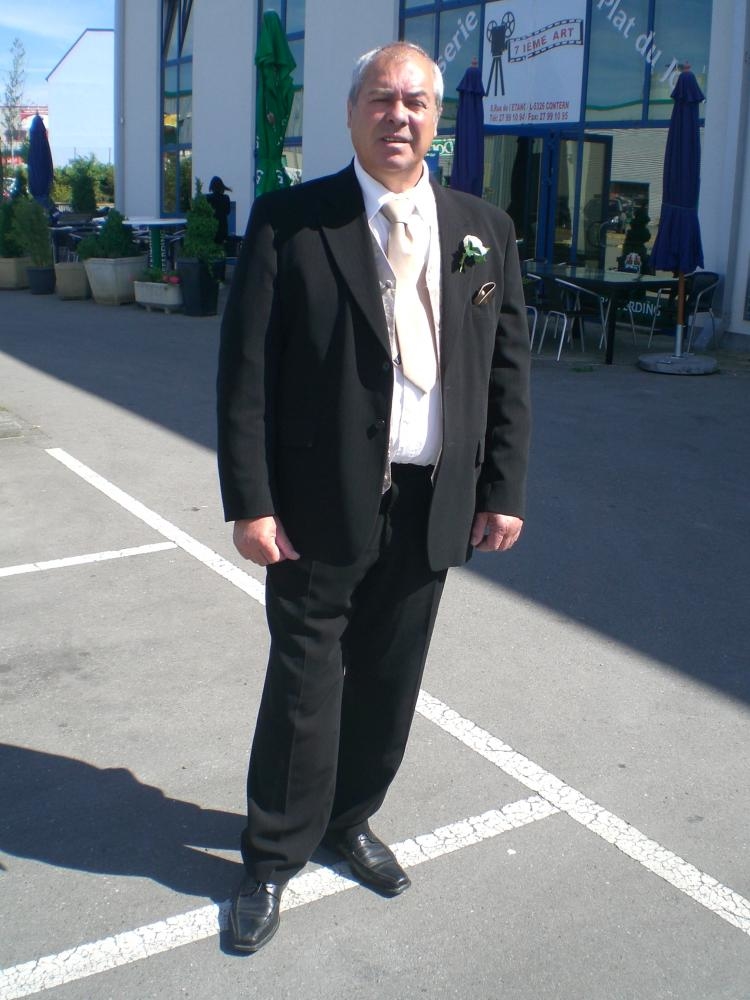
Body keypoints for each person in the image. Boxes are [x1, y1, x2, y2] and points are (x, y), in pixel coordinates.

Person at [216, 41, 531, 954]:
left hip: (434, 502)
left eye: (416, 102)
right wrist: (251, 501)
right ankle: (272, 855)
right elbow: (246, 374)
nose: (400, 116)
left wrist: (502, 488)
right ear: (352, 112)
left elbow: (507, 371)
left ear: (436, 119)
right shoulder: (291, 222)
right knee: (305, 687)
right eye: (382, 99)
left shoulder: (483, 227)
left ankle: (349, 819)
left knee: (390, 685)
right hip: (314, 507)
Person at [206, 175, 232, 246]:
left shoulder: (208, 198)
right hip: (222, 227)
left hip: (211, 227)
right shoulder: (226, 198)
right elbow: (228, 211)